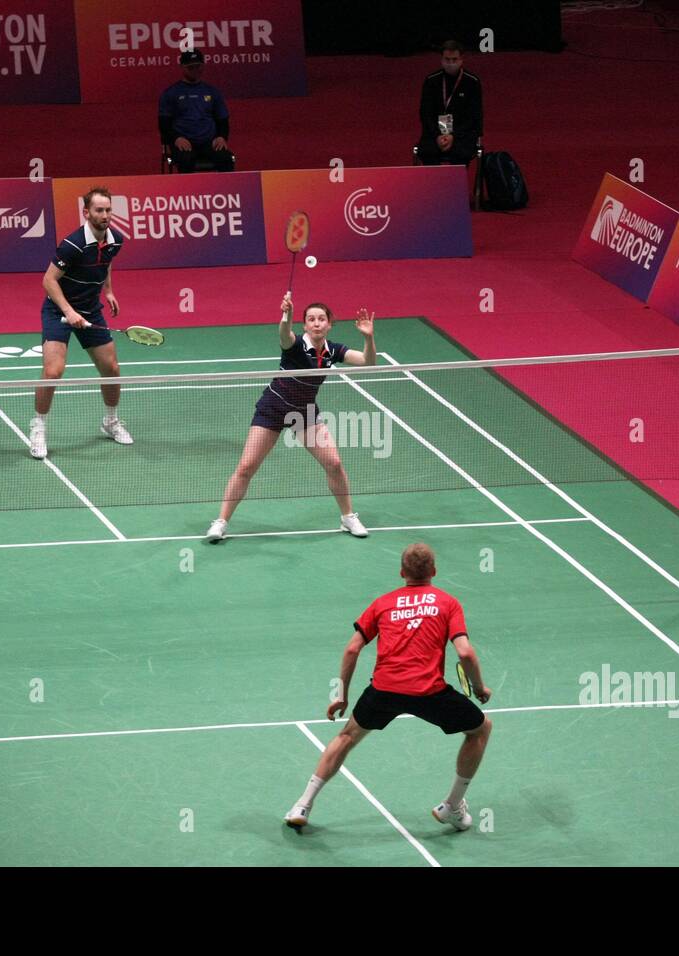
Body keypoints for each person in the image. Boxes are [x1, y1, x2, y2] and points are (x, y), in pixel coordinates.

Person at [285, 543, 493, 831]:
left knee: (346, 737)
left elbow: (352, 649)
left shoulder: (382, 603)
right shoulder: (448, 602)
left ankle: (303, 805)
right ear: (433, 571)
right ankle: (452, 806)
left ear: (401, 572)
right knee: (480, 730)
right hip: (429, 692)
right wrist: (479, 687)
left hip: (384, 690)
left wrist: (341, 695)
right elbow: (465, 653)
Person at [206, 292, 375, 542]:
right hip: (273, 408)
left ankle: (348, 517)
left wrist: (368, 338)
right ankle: (220, 522)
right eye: (311, 319)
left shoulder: (334, 350)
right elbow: (285, 333)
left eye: (321, 319)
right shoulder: (294, 345)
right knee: (246, 467)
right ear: (305, 324)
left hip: (304, 412)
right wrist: (287, 315)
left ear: (329, 324)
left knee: (334, 464)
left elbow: (368, 363)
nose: (316, 323)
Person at [30, 186, 132, 460]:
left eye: (108, 210)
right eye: (99, 210)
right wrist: (69, 311)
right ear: (86, 213)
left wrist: (108, 291)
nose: (105, 215)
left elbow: (106, 263)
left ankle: (110, 420)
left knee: (111, 368)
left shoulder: (116, 240)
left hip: (90, 309)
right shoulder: (72, 245)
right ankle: (38, 425)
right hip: (59, 311)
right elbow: (48, 280)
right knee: (53, 371)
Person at [158, 49, 233, 173]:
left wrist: (221, 137)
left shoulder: (212, 92)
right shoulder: (170, 93)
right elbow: (164, 124)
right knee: (186, 159)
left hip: (209, 142)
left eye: (198, 66)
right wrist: (176, 138)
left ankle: (225, 191)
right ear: (182, 67)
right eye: (190, 67)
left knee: (225, 158)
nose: (195, 70)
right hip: (184, 143)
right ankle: (187, 191)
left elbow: (223, 119)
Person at [417, 40, 483, 167]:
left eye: (454, 59)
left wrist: (453, 136)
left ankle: (455, 186)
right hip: (434, 133)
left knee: (460, 154)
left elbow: (474, 116)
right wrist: (437, 135)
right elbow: (425, 113)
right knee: (427, 152)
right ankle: (433, 185)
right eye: (447, 59)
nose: (451, 63)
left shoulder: (472, 82)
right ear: (441, 59)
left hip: (462, 134)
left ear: (461, 59)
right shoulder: (431, 81)